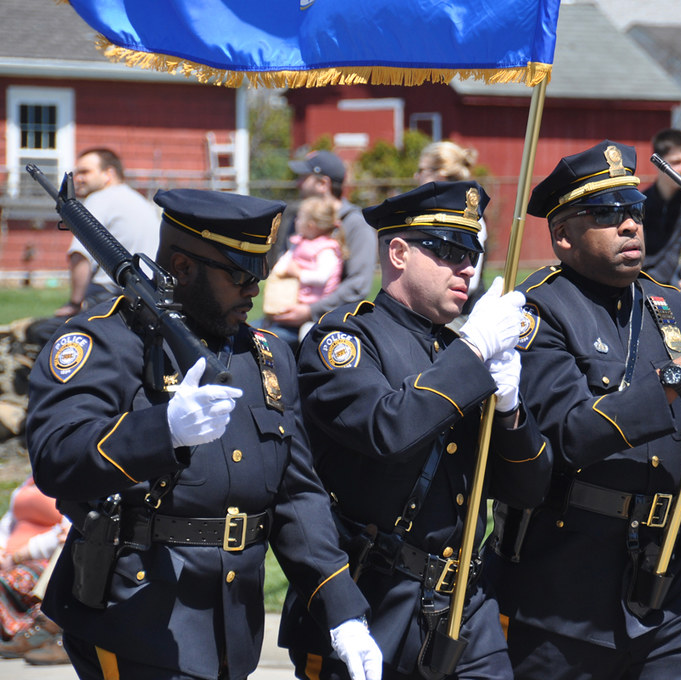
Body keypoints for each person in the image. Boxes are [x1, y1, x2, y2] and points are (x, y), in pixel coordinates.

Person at [25, 189, 382, 680]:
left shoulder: (267, 356)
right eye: (239, 275)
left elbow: (296, 495)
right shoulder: (106, 340)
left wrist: (342, 608)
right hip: (136, 620)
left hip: (231, 630)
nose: (254, 289)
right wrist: (163, 431)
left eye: (258, 273)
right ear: (182, 266)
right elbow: (56, 456)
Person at [488, 140, 681, 680]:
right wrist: (677, 380)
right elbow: (570, 434)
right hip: (567, 589)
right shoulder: (538, 309)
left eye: (634, 210)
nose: (630, 225)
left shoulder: (672, 306)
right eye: (607, 215)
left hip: (667, 584)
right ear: (563, 236)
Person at [279, 180, 551, 680]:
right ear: (399, 253)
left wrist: (510, 410)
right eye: (449, 251)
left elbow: (527, 489)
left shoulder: (458, 352)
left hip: (464, 608)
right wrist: (471, 353)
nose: (467, 268)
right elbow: (388, 429)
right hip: (376, 599)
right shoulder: (344, 338)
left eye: (473, 254)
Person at [265, 150, 377, 333]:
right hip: (285, 313)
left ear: (323, 184)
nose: (298, 183)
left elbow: (358, 286)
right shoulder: (301, 219)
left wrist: (310, 311)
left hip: (329, 324)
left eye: (304, 178)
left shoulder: (356, 224)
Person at [54, 148, 160, 317]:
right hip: (147, 296)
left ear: (108, 174)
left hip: (109, 295)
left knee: (42, 329)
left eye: (85, 172)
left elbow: (80, 256)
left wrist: (74, 303)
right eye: (77, 173)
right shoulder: (140, 200)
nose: (78, 178)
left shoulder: (99, 198)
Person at [262, 194, 348, 350]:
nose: (296, 221)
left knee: (307, 333)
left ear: (311, 225)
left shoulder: (326, 248)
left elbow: (322, 278)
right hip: (294, 300)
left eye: (299, 218)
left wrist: (298, 273)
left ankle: (307, 354)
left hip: (315, 310)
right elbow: (285, 260)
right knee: (262, 329)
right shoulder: (299, 242)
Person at [0, 476, 70, 665]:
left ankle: (45, 625)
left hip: (43, 557)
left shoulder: (70, 479)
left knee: (9, 580)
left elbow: (67, 530)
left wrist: (21, 554)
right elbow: (7, 523)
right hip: (11, 558)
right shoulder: (30, 481)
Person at [414, 141, 489, 307]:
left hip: (462, 312)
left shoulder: (468, 216)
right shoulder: (427, 213)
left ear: (440, 174)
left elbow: (470, 282)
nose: (416, 176)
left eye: (421, 170)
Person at [641, 128, 681, 287]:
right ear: (658, 162)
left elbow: (675, 255)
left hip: (668, 283)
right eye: (677, 162)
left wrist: (647, 283)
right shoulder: (642, 201)